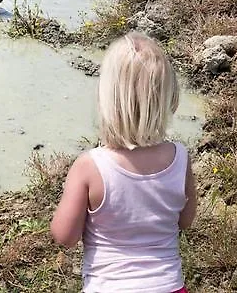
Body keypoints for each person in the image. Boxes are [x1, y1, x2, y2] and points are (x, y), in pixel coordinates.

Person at [51, 31, 197, 293]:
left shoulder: (89, 166)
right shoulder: (180, 158)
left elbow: (65, 237)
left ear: (106, 100)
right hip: (169, 287)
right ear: (169, 100)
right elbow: (184, 221)